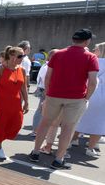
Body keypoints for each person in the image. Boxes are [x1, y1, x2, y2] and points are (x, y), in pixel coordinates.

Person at [29, 29, 99, 168]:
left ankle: (36, 152)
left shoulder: (58, 54)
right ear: (87, 41)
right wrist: (86, 97)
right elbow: (93, 81)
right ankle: (59, 159)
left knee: (45, 123)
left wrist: (48, 93)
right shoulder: (90, 57)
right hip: (76, 97)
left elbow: (48, 76)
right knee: (68, 128)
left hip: (54, 95)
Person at [0, 46, 29, 159]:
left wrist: (26, 102)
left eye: (23, 56)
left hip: (15, 102)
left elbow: (24, 88)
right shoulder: (0, 69)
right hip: (0, 101)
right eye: (20, 56)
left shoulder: (22, 69)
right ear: (11, 56)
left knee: (16, 123)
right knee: (0, 124)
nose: (23, 58)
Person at [74, 41, 105, 157]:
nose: (94, 51)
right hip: (102, 96)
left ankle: (73, 139)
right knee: (99, 122)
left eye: (96, 49)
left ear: (101, 51)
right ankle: (91, 147)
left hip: (88, 91)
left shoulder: (92, 60)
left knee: (79, 117)